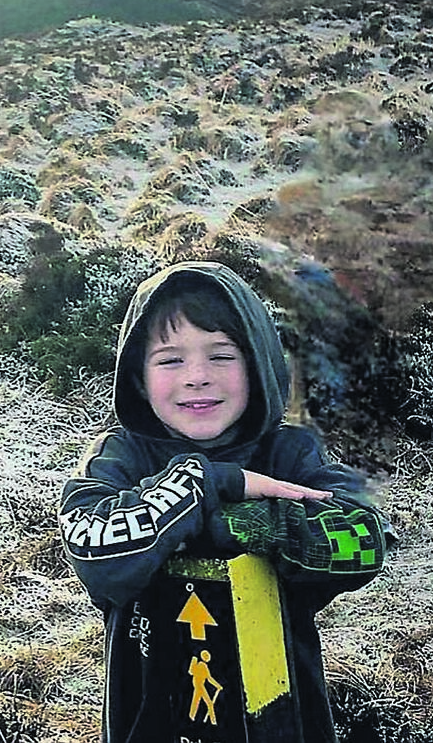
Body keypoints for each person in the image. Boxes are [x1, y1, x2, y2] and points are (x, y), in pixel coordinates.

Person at [59, 260, 391, 743]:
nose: (197, 376)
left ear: (258, 366)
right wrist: (209, 482)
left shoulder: (289, 454)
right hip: (148, 726)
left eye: (221, 355)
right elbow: (94, 551)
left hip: (284, 724)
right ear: (138, 379)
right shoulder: (120, 458)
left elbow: (365, 540)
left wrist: (243, 523)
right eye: (170, 360)